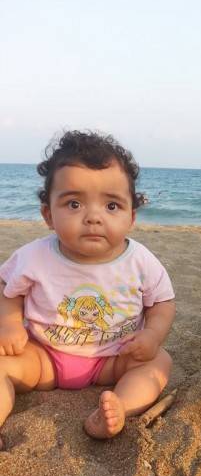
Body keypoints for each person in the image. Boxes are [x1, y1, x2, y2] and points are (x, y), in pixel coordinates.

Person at [0, 130, 176, 447]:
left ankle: (118, 409)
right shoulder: (34, 257)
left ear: (131, 217)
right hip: (43, 358)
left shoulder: (140, 261)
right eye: (75, 203)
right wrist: (10, 324)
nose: (93, 217)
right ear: (48, 215)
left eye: (111, 206)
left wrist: (151, 336)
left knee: (158, 363)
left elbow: (162, 302)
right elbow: (6, 287)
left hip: (113, 359)